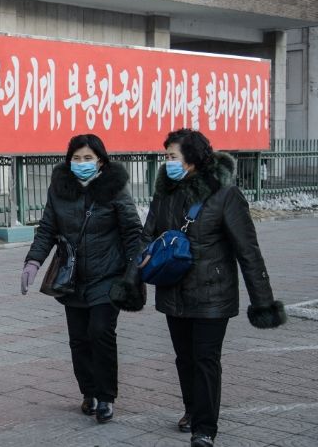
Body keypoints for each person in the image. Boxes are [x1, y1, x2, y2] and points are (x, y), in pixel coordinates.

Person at [139, 128, 286, 447]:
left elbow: (248, 250)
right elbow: (148, 234)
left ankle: (204, 428)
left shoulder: (225, 195)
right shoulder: (166, 192)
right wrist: (134, 270)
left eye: (172, 156)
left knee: (205, 358)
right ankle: (192, 410)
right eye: (166, 156)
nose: (167, 163)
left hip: (212, 293)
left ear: (192, 158)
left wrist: (263, 302)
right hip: (173, 290)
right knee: (184, 357)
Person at [21, 134, 142, 424]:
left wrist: (133, 272)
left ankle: (106, 397)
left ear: (100, 160)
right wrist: (33, 261)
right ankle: (88, 392)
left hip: (108, 275)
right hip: (71, 276)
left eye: (88, 158)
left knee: (100, 332)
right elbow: (48, 227)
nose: (82, 163)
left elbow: (132, 231)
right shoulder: (59, 188)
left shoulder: (114, 188)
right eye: (76, 158)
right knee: (79, 339)